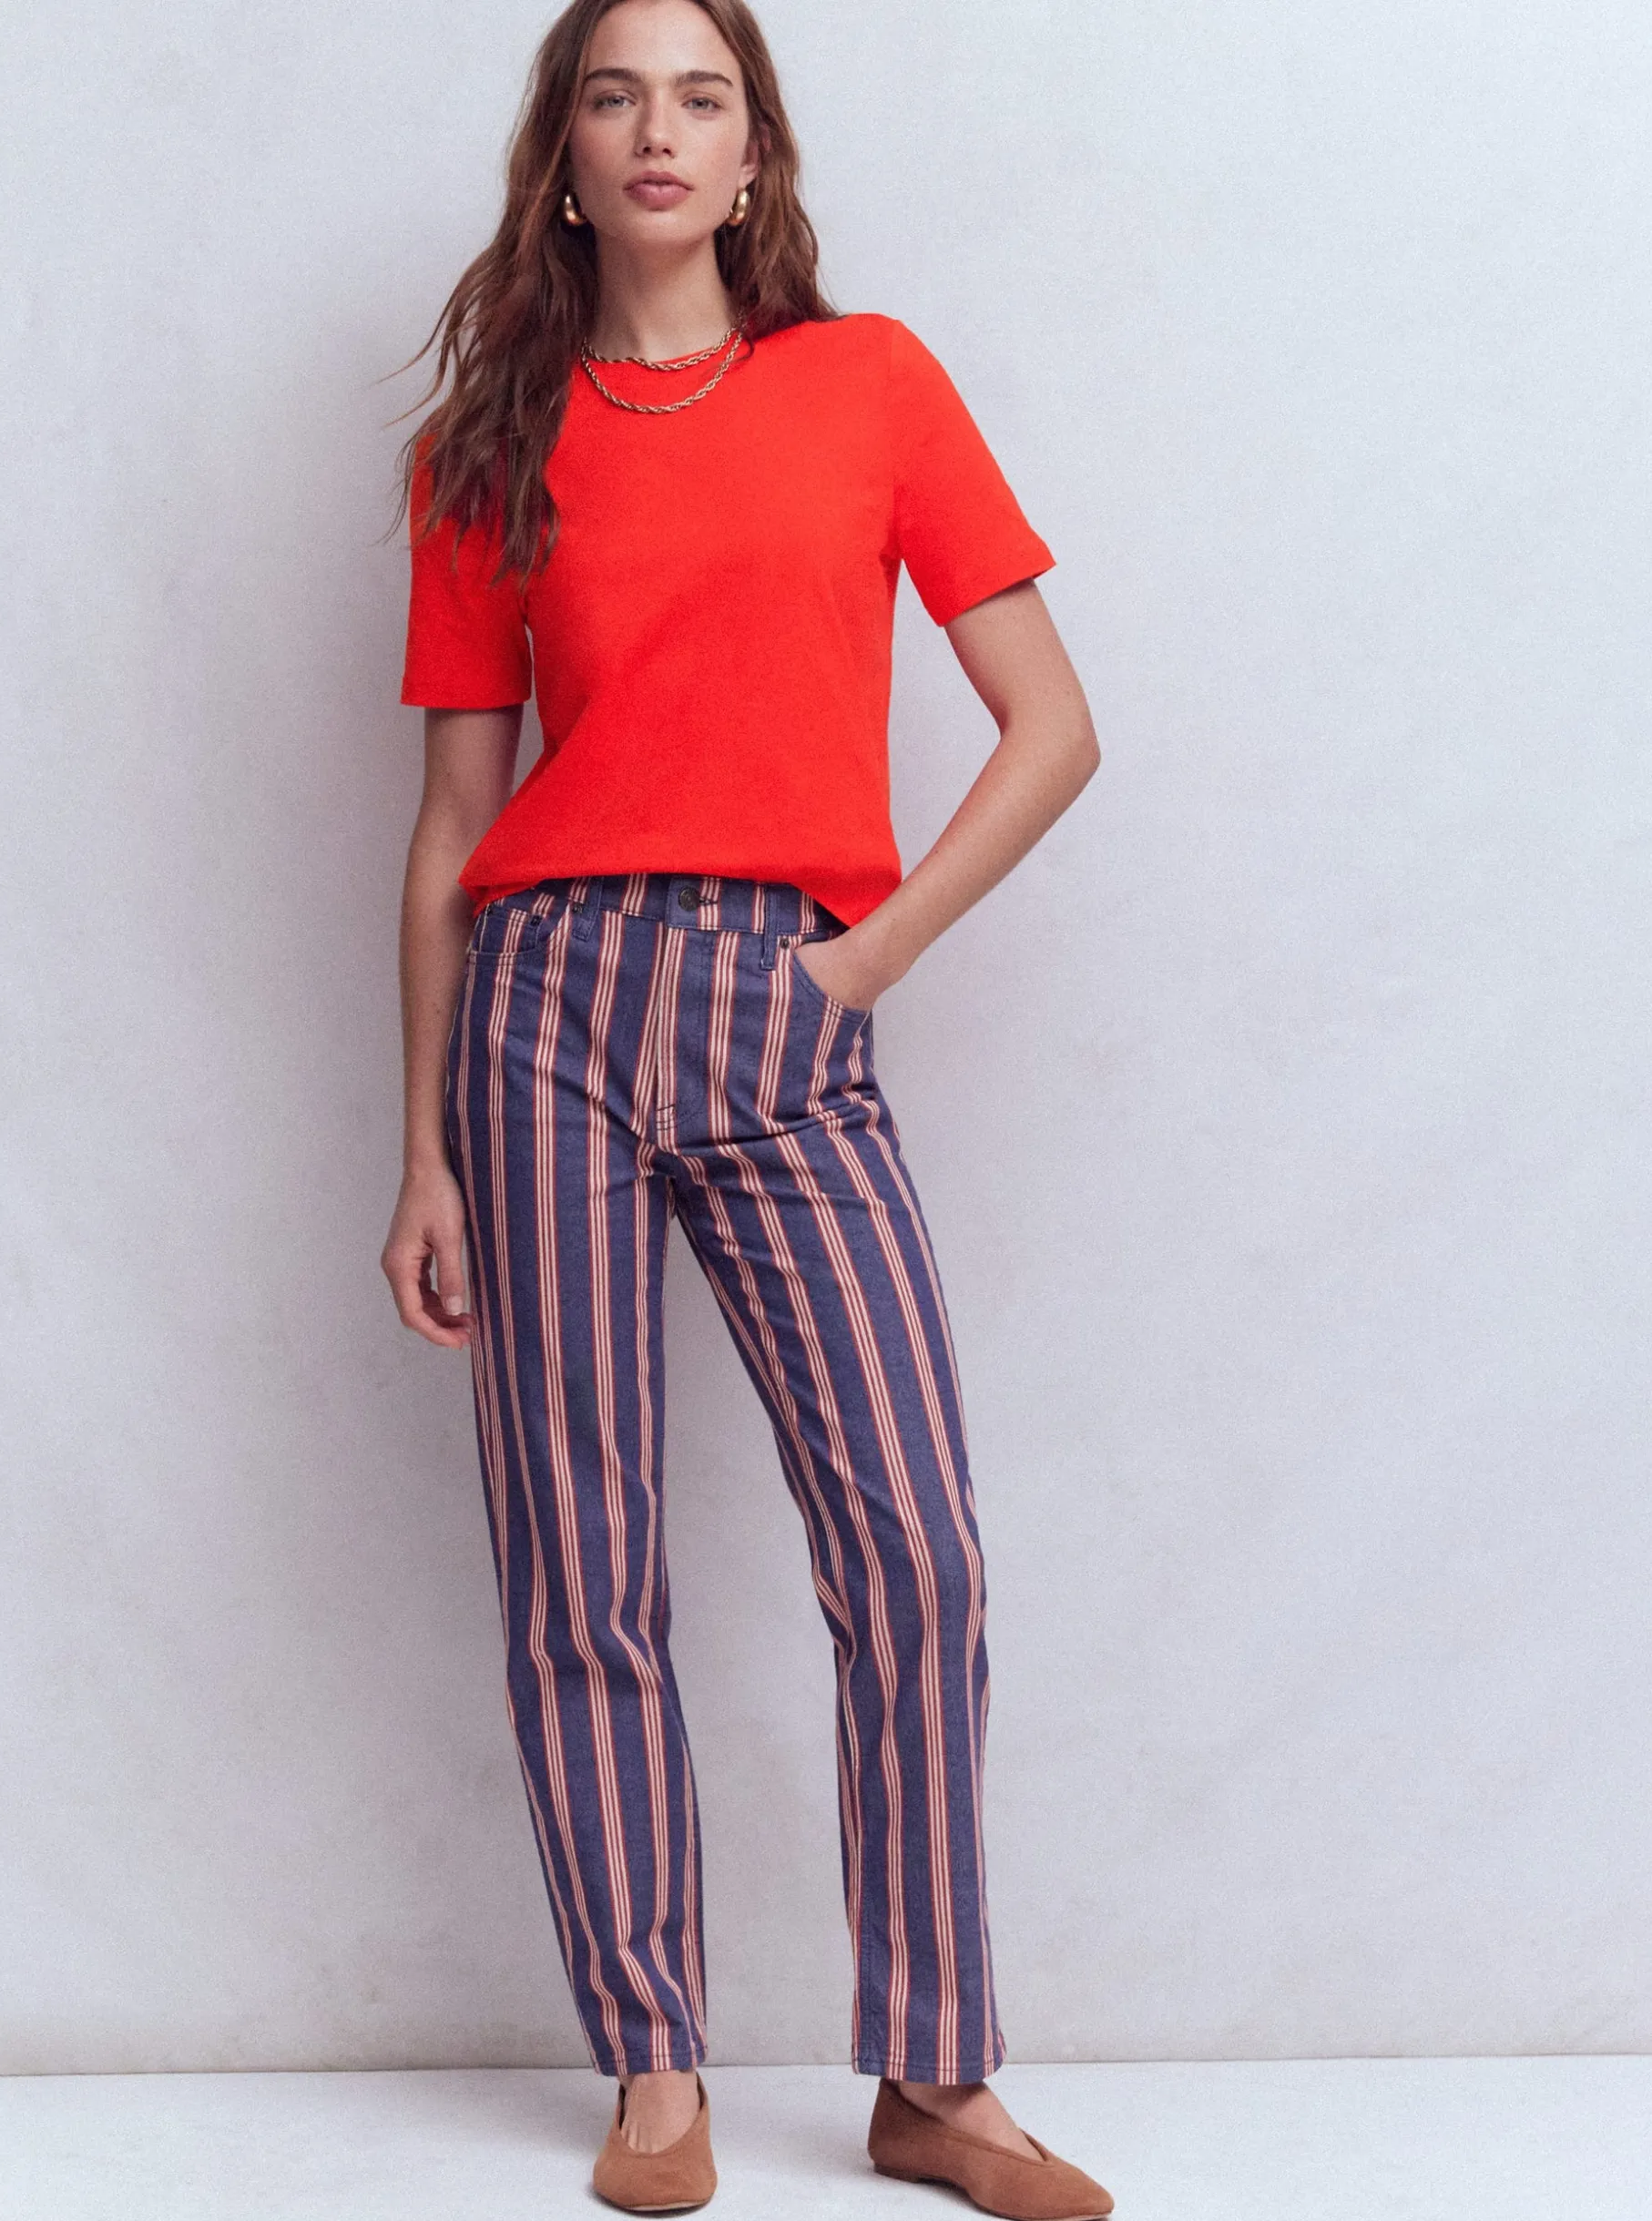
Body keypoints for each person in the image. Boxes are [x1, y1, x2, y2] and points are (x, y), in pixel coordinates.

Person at [381, 2, 1106, 2212]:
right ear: (564, 152)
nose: (658, 129)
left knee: (914, 1547)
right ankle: (653, 2068)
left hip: (787, 1002)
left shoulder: (866, 384)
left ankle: (934, 2077)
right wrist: (418, 1147)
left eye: (700, 94)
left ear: (753, 151)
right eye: (614, 94)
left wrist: (858, 968)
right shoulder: (490, 444)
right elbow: (449, 825)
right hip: (541, 1014)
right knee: (579, 1556)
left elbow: (1052, 727)